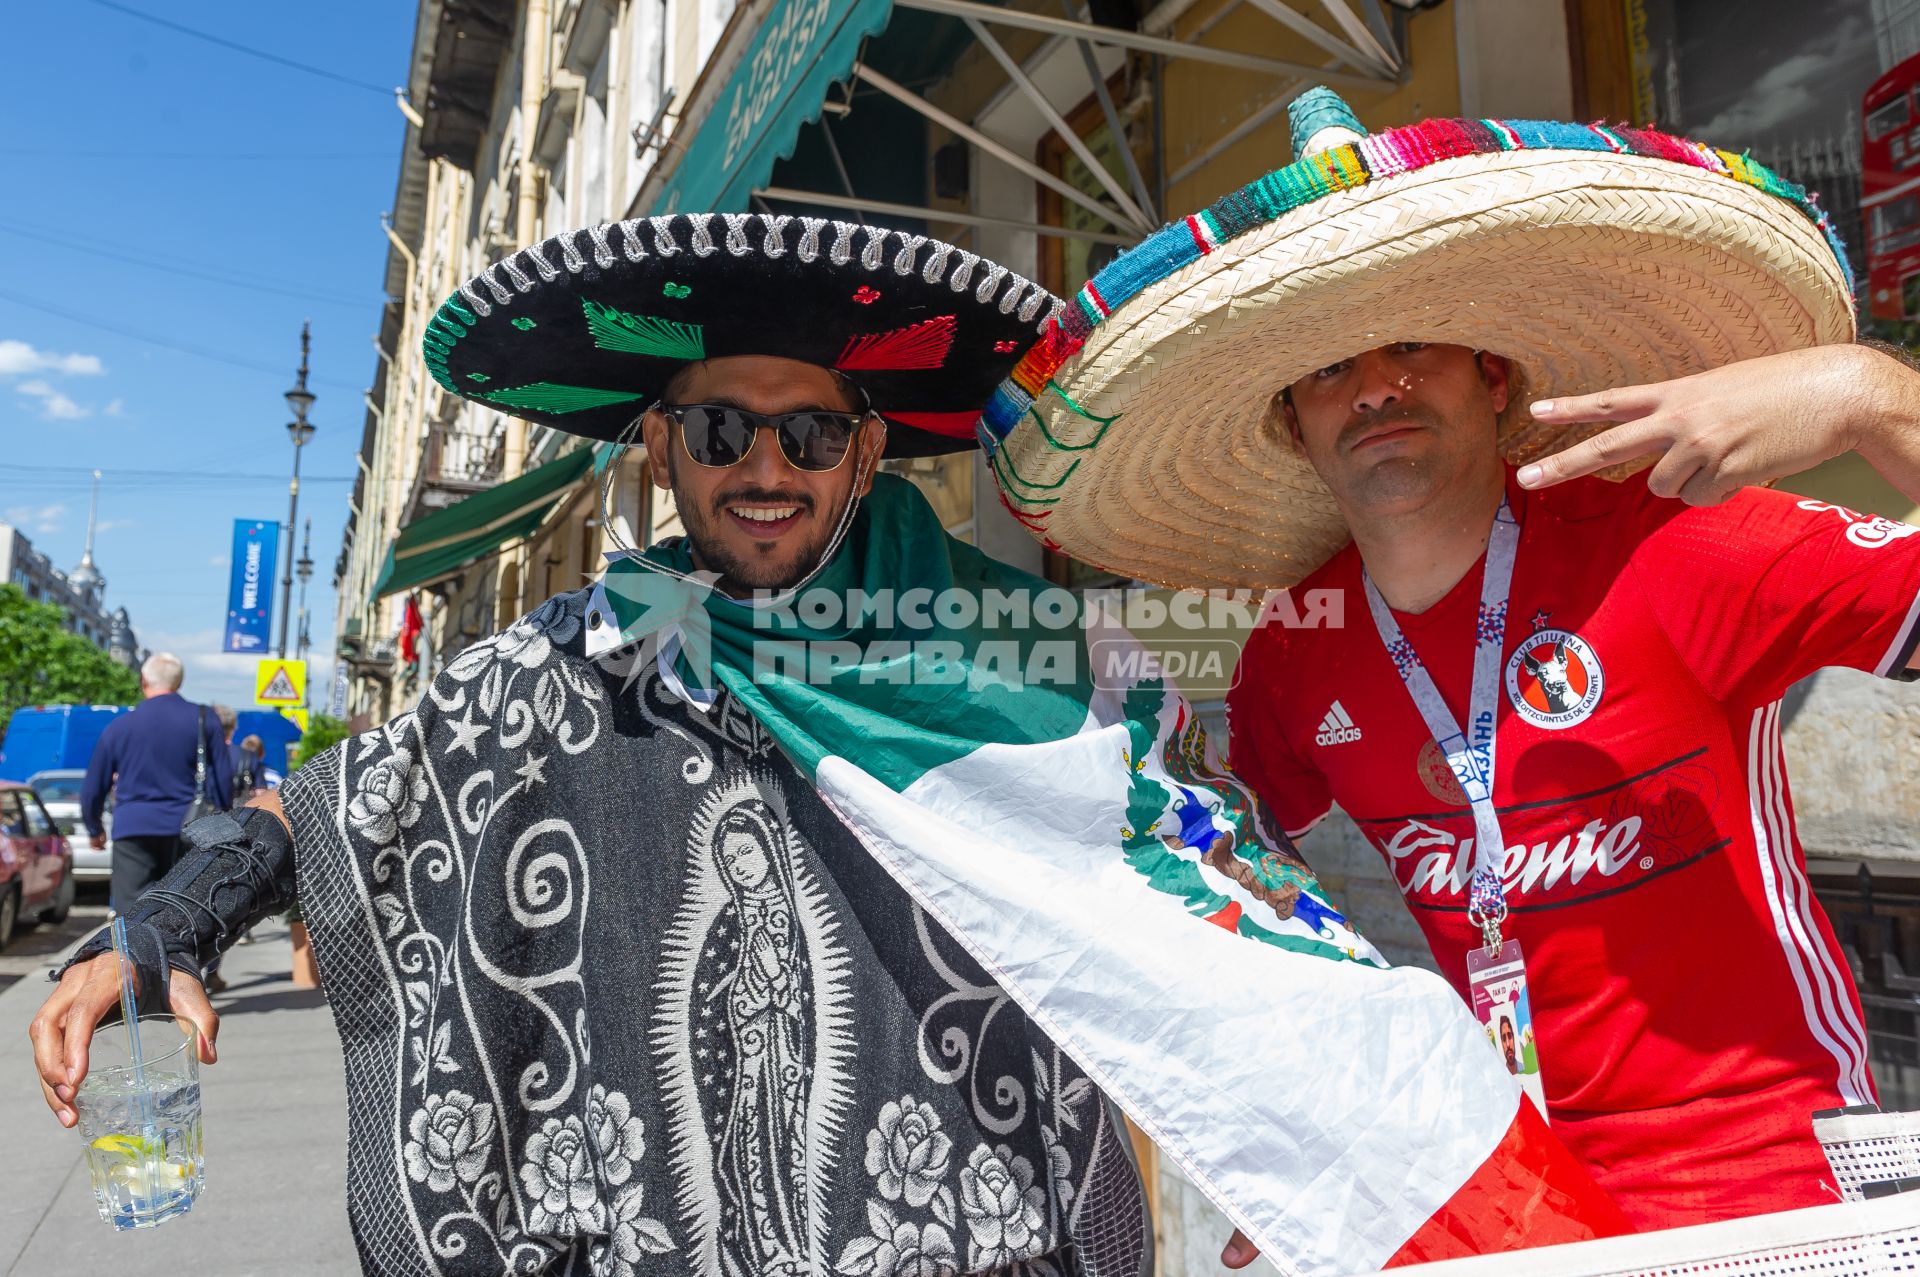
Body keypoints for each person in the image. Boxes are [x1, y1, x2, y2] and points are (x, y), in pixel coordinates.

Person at [30, 216, 1635, 1277]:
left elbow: (1219, 892)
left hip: (961, 1231)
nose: (768, 470)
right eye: (724, 430)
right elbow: (353, 806)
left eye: (812, 433)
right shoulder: (583, 649)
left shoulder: (1029, 665)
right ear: (661, 446)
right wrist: (162, 923)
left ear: (871, 445)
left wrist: (1343, 1136)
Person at [979, 87, 1920, 1249]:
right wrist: (1303, 1122)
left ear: (1491, 374)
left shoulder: (1675, 540)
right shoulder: (1296, 650)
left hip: (1772, 1176)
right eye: (1328, 366)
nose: (1375, 385)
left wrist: (1872, 395)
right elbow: (1212, 885)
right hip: (1498, 1189)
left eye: (1411, 343)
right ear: (1294, 425)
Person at [80, 652, 233, 915]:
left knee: (132, 914)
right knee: (187, 909)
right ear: (179, 682)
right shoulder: (204, 719)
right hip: (189, 828)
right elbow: (222, 779)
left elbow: (94, 786)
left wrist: (94, 828)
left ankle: (138, 955)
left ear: (144, 681)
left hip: (133, 828)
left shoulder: (119, 727)